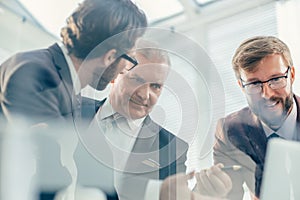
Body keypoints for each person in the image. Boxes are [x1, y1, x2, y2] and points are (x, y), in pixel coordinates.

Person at [82, 40, 232, 200]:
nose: (145, 95)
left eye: (155, 86)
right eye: (137, 80)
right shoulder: (69, 110)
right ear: (113, 74)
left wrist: (202, 193)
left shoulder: (172, 148)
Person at [0, 0, 147, 127]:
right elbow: (47, 155)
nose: (123, 71)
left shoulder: (65, 86)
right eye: (130, 59)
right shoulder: (36, 74)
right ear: (109, 57)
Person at [213, 36, 299, 199]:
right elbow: (228, 196)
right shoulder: (231, 131)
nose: (267, 94)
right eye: (254, 84)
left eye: (276, 79)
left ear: (291, 75)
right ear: (241, 86)